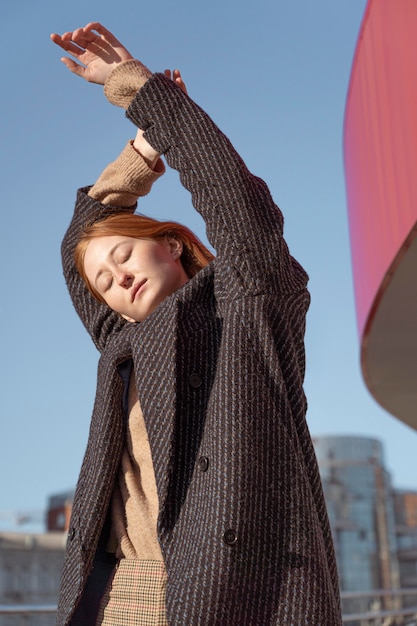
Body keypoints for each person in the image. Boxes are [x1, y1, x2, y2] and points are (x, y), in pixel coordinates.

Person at [51, 22, 342, 626]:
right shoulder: (122, 344)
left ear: (173, 243)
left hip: (236, 592)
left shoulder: (246, 301)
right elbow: (79, 250)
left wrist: (142, 96)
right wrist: (137, 158)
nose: (115, 280)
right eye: (104, 283)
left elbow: (237, 203)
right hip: (120, 593)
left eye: (124, 256)